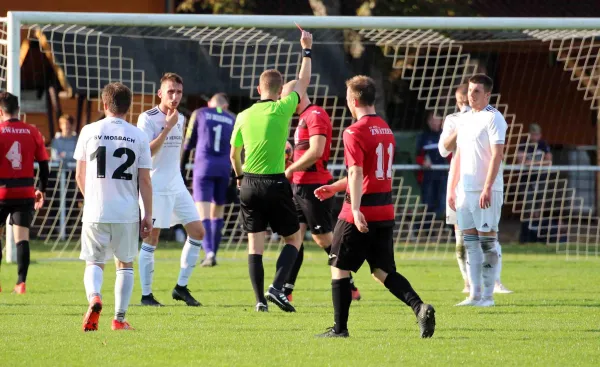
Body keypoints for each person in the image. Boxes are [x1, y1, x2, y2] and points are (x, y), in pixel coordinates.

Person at [314, 75, 435, 338]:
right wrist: (335, 187)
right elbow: (368, 173)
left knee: (339, 267)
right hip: (384, 209)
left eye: (347, 98)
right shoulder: (385, 129)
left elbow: (357, 173)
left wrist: (355, 210)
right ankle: (419, 307)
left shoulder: (353, 131)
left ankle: (340, 329)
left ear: (354, 100)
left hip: (360, 211)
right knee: (381, 271)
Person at [230, 30, 313, 313]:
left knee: (255, 245)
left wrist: (240, 178)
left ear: (258, 88)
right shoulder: (282, 108)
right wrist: (306, 50)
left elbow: (234, 154)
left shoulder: (243, 115)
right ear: (279, 92)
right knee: (294, 237)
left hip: (249, 184)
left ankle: (259, 301)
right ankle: (277, 287)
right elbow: (303, 82)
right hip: (275, 183)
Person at [74, 82, 153, 331]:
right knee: (125, 263)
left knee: (94, 262)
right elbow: (145, 180)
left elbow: (79, 175)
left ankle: (94, 297)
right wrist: (148, 214)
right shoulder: (138, 135)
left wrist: (92, 199)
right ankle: (119, 319)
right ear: (128, 108)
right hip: (127, 211)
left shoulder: (89, 130)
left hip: (95, 210)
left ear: (104, 104)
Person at [280, 80, 361, 302]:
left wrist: (291, 169)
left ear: (297, 94)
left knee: (323, 239)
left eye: (285, 96)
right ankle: (286, 290)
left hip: (313, 187)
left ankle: (349, 283)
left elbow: (316, 152)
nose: (282, 100)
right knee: (292, 237)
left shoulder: (315, 114)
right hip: (298, 185)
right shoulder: (301, 119)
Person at [136, 73, 205, 307]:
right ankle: (146, 296)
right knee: (151, 238)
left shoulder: (182, 118)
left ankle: (181, 288)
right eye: (170, 92)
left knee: (198, 232)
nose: (175, 97)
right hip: (155, 187)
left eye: (178, 92)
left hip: (176, 185)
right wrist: (166, 128)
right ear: (160, 94)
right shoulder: (147, 118)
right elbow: (147, 153)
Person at [441, 85, 512, 295]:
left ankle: (493, 284)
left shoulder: (491, 118)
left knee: (489, 236)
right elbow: (445, 150)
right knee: (463, 238)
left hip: (483, 185)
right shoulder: (454, 120)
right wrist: (452, 188)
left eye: (472, 95)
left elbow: (497, 153)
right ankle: (469, 285)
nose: (466, 102)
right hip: (461, 185)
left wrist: (488, 186)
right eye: (462, 101)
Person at [0, 92, 49, 294]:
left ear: (1, 111)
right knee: (22, 238)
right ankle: (21, 283)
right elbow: (44, 165)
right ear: (18, 110)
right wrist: (41, 189)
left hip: (1, 192)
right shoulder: (32, 131)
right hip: (25, 192)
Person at [184, 93, 235, 267]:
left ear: (209, 103)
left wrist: (181, 170)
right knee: (218, 213)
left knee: (202, 213)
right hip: (224, 169)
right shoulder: (232, 118)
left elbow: (188, 142)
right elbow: (237, 149)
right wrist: (236, 178)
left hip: (203, 168)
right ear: (225, 105)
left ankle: (209, 253)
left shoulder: (200, 113)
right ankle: (213, 253)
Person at [416, 111, 447, 219]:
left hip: (444, 176)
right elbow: (418, 156)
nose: (434, 122)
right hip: (428, 177)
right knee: (428, 205)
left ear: (441, 121)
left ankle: (443, 230)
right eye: (432, 120)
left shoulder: (446, 136)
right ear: (428, 122)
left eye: (437, 119)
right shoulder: (423, 137)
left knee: (443, 205)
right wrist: (423, 162)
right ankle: (427, 231)